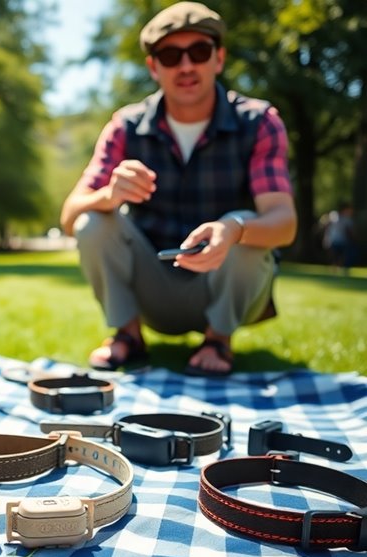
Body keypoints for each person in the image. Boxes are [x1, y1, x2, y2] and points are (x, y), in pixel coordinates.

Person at [59, 2, 297, 377]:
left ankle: (218, 339)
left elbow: (284, 223)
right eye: (170, 55)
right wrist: (109, 195)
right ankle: (128, 336)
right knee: (93, 219)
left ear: (219, 59)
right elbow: (70, 216)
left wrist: (234, 230)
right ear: (154, 67)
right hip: (151, 289)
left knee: (247, 223)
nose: (186, 66)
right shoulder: (125, 127)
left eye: (199, 52)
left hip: (227, 285)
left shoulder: (259, 122)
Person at [322, 203, 356, 274]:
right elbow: (326, 225)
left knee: (343, 257)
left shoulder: (347, 219)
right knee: (334, 258)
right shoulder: (334, 215)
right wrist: (326, 237)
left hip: (343, 241)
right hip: (333, 240)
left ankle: (341, 272)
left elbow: (349, 231)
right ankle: (334, 272)